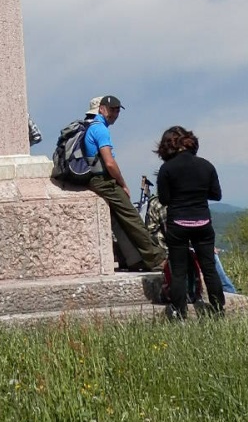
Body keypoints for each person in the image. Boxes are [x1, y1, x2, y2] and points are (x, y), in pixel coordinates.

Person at [83, 94, 164, 272]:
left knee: (120, 221)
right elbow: (109, 162)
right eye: (112, 110)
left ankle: (134, 260)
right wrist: (123, 184)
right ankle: (156, 258)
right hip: (103, 180)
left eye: (118, 110)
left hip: (93, 178)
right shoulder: (100, 129)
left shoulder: (91, 126)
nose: (115, 114)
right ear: (101, 109)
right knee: (132, 218)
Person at [155, 126, 225, 319]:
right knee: (209, 268)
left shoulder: (167, 169)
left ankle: (179, 312)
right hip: (202, 222)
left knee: (179, 271)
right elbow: (216, 195)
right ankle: (218, 310)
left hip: (178, 223)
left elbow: (164, 199)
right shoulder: (206, 165)